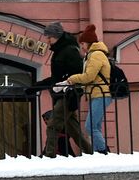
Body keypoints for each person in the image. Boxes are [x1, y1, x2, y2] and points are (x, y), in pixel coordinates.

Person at [34, 21, 91, 157]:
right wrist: (37, 85)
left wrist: (74, 90)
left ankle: (49, 156)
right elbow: (56, 78)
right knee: (74, 130)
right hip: (62, 94)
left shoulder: (69, 50)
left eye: (49, 37)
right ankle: (91, 153)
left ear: (57, 36)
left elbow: (77, 73)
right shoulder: (60, 51)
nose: (47, 41)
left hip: (68, 95)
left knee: (53, 125)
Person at [66, 24, 112, 154]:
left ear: (88, 43)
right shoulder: (92, 55)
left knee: (90, 126)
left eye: (82, 43)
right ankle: (99, 152)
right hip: (97, 94)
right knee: (95, 126)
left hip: (100, 94)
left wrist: (73, 78)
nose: (81, 46)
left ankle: (103, 151)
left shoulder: (96, 55)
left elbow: (89, 76)